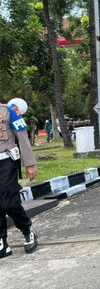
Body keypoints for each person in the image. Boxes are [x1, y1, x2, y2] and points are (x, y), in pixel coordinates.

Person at [1, 98, 38, 259]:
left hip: (6, 162)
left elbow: (22, 136)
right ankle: (2, 240)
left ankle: (27, 230)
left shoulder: (9, 110)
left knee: (8, 200)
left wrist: (29, 163)